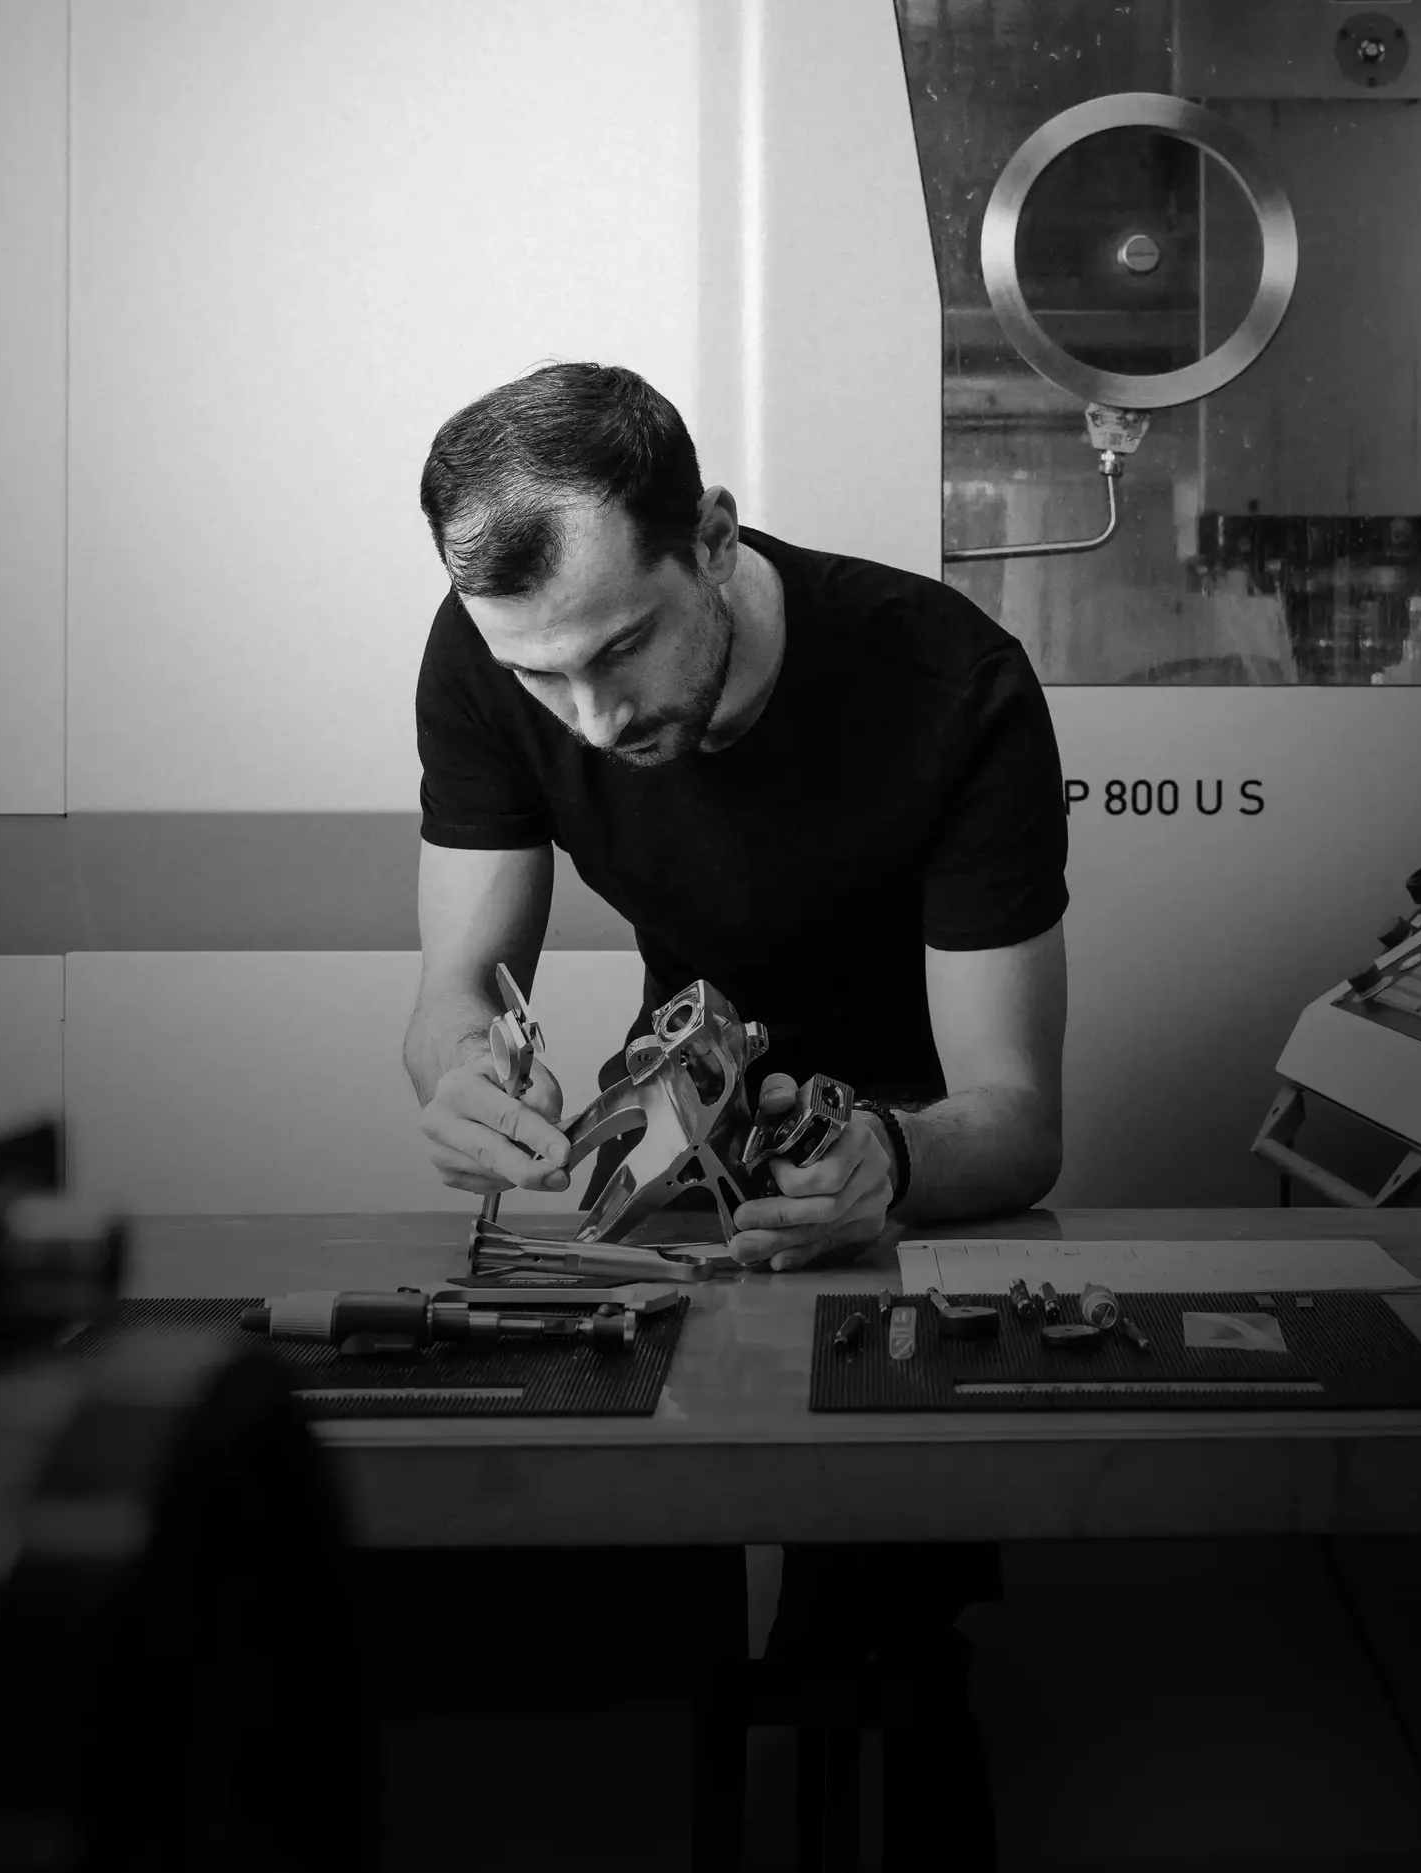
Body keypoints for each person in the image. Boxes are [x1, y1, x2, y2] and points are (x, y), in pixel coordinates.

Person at [400, 360, 1068, 1865]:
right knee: (624, 1581)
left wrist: (886, 1164)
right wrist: (456, 1075)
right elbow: (454, 986)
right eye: (539, 678)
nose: (587, 716)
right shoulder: (493, 645)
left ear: (711, 533)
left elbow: (1018, 1120)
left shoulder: (949, 681)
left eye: (623, 650)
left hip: (913, 1159)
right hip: (675, 1142)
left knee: (886, 1628)